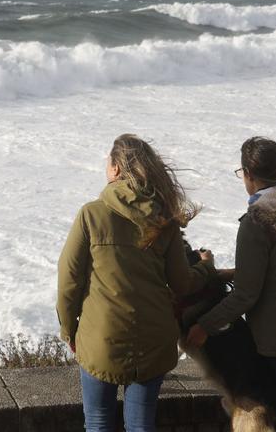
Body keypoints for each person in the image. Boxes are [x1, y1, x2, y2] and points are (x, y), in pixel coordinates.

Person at [57, 134, 215, 432]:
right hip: (153, 340)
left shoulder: (92, 214)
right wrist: (206, 269)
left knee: (98, 423)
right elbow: (181, 284)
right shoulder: (164, 219)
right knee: (141, 426)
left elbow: (69, 281)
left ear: (116, 169)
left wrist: (69, 330)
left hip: (100, 337)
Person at [185, 136, 276, 432]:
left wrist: (204, 326)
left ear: (248, 175)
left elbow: (246, 295)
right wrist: (225, 274)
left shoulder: (256, 223)